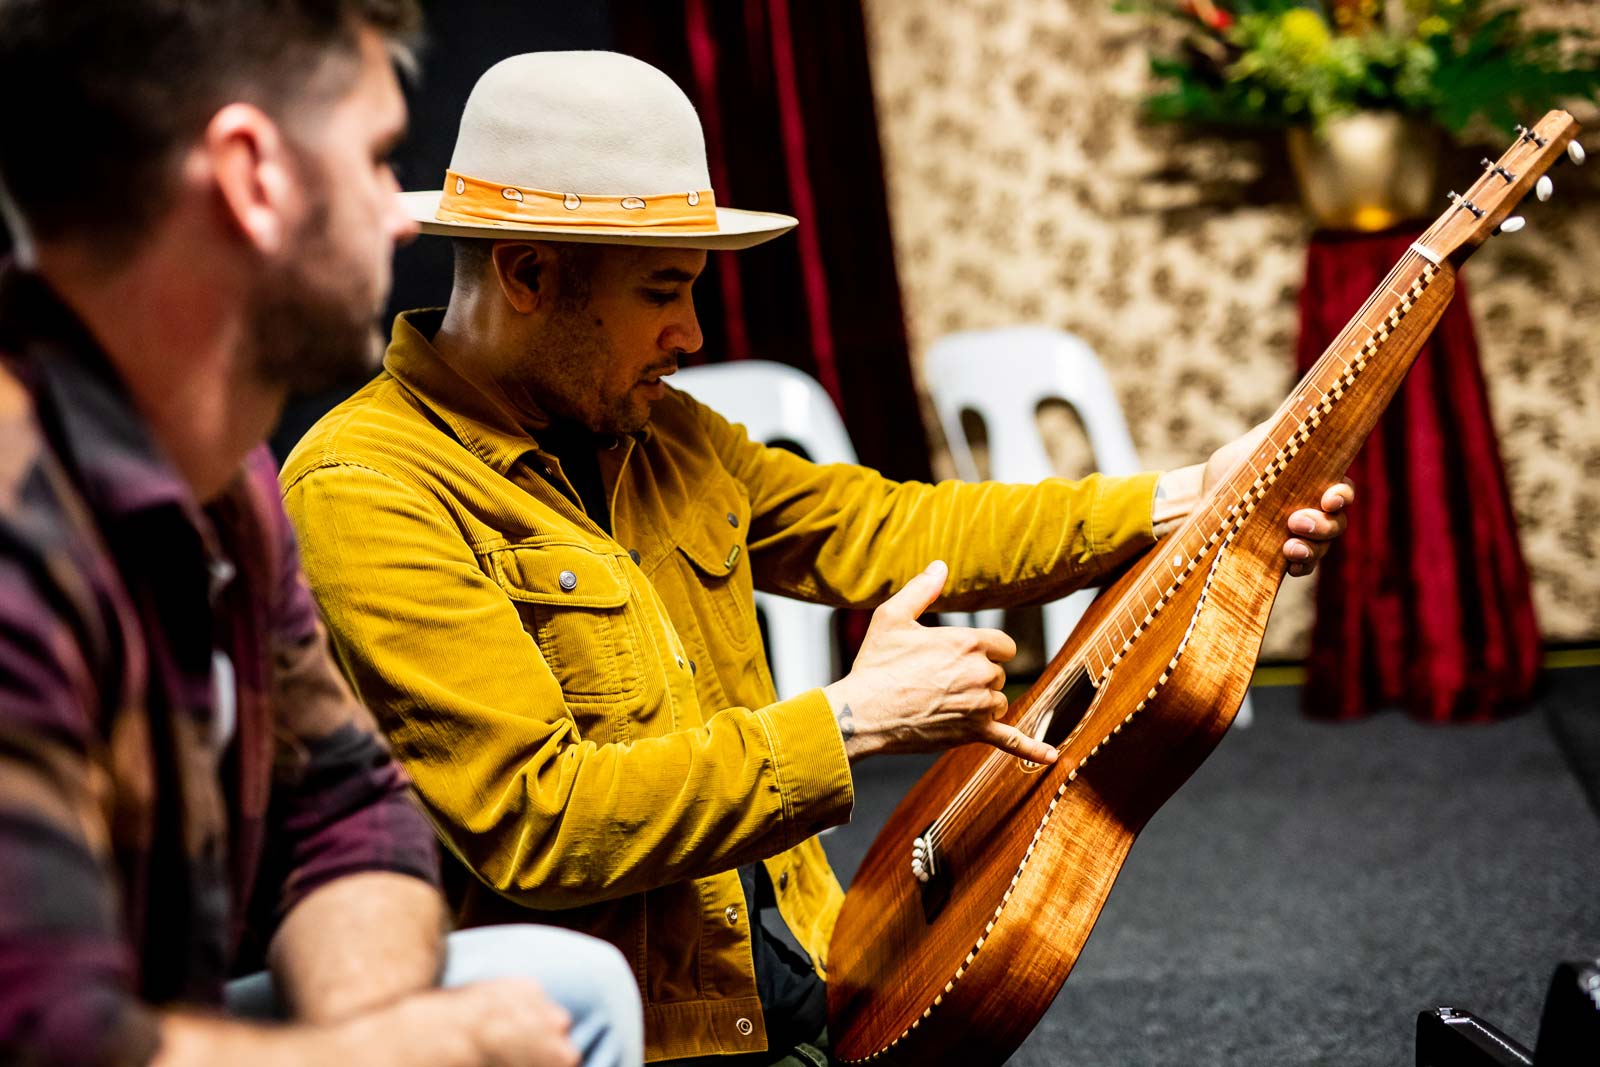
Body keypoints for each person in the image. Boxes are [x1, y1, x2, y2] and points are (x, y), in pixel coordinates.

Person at [279, 51, 1353, 1065]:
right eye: (663, 289)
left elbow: (889, 526)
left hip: (806, 979)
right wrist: (851, 718)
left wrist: (1182, 499)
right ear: (526, 272)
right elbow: (541, 820)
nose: (691, 332)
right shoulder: (366, 488)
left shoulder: (664, 433)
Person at [0, 7, 641, 1067]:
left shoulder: (230, 480)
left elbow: (344, 805)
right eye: (379, 157)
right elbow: (53, 1039)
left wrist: (379, 1029)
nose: (400, 216)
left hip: (153, 1022)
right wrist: (398, 1054)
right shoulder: (21, 530)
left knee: (564, 993)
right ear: (254, 176)